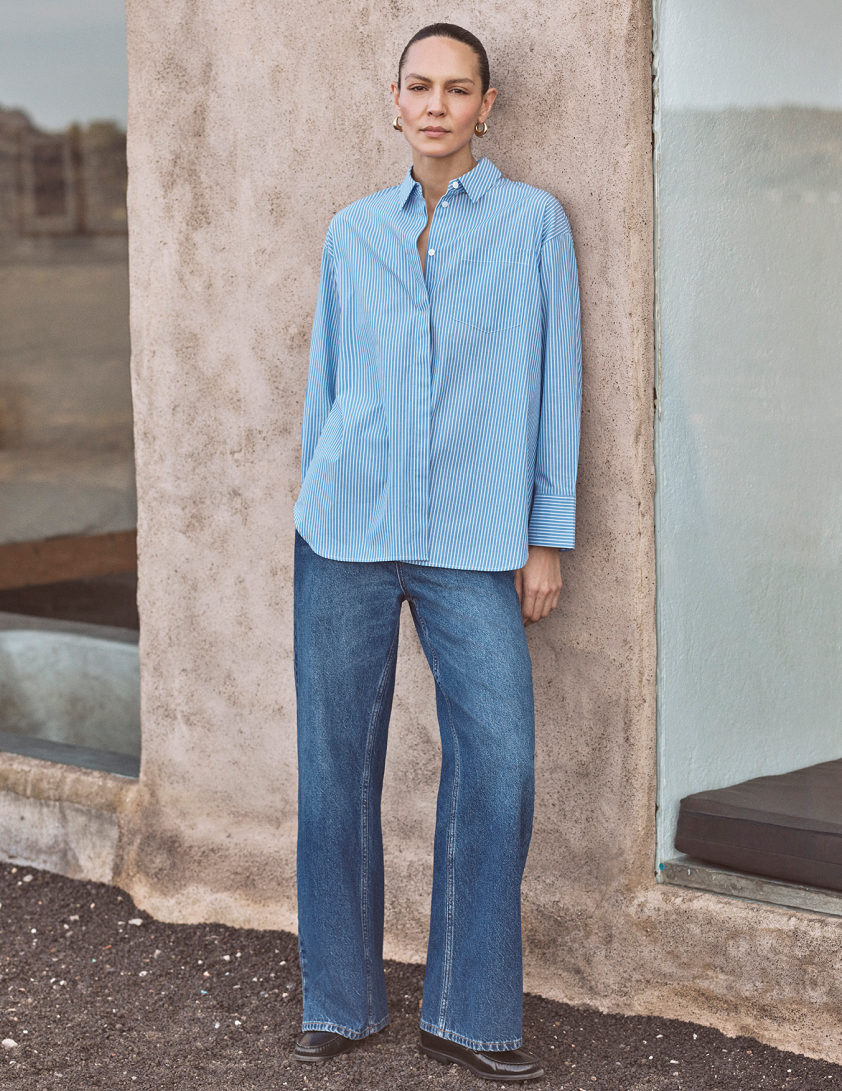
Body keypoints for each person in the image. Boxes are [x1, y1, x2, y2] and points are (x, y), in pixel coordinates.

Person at [291, 23, 582, 1083]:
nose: (435, 104)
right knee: (333, 771)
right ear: (396, 99)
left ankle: (466, 1012)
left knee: (497, 761)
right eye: (419, 85)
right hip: (346, 531)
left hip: (472, 541)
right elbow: (330, 386)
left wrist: (545, 536)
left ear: (486, 105)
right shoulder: (352, 232)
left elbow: (556, 386)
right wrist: (314, 497)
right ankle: (338, 998)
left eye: (457, 89)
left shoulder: (532, 225)